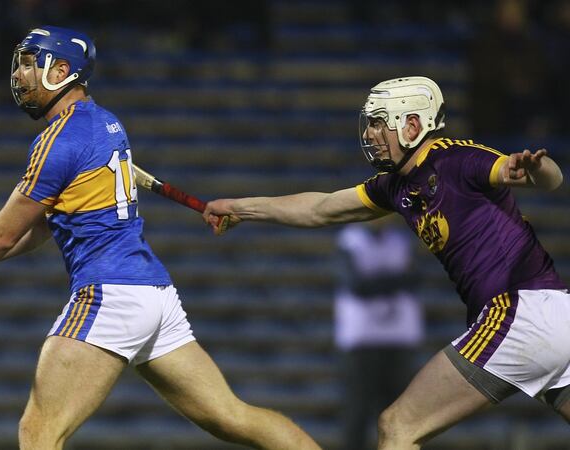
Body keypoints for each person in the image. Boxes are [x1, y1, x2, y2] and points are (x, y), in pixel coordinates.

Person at [0, 26, 320, 450]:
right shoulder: (106, 122)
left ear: (61, 70)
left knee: (39, 432)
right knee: (232, 416)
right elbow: (40, 229)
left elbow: (1, 233)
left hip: (109, 294)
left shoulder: (58, 141)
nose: (18, 75)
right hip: (153, 295)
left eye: (31, 63)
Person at [204, 76, 569, 449]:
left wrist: (536, 169)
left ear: (412, 125)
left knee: (397, 427)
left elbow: (549, 178)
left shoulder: (457, 159)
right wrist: (239, 208)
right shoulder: (394, 185)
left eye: (380, 122)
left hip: (517, 312)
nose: (373, 133)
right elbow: (319, 208)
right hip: (557, 313)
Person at [333, 219, 423, 450]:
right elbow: (356, 285)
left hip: (399, 338)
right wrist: (397, 280)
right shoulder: (350, 240)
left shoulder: (401, 239)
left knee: (400, 411)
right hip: (362, 339)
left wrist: (377, 281)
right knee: (358, 411)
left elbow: (415, 279)